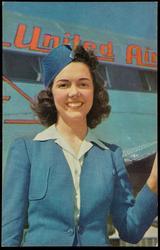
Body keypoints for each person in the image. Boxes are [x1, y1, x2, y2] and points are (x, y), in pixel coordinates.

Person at [2, 44, 157, 246]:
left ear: (94, 91)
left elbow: (131, 229)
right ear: (51, 92)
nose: (74, 92)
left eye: (83, 84)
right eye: (64, 85)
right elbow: (8, 236)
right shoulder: (26, 151)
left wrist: (154, 180)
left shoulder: (111, 156)